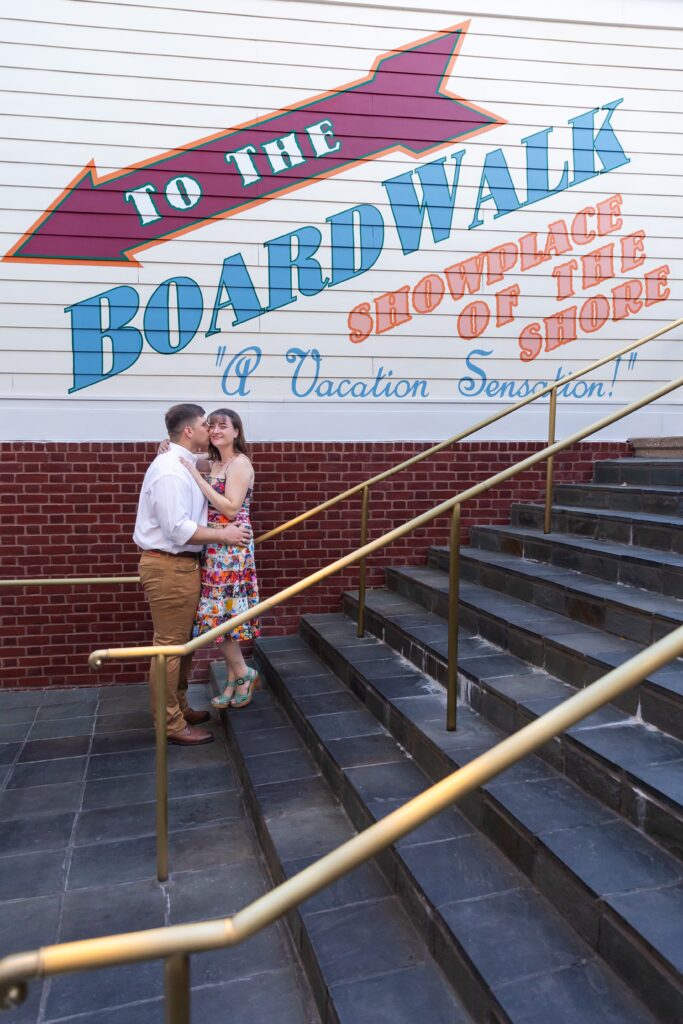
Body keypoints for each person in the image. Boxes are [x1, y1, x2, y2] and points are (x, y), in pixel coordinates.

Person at [134, 403, 251, 745]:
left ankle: (179, 707)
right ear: (189, 431)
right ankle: (170, 724)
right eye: (204, 424)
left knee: (182, 648)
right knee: (169, 649)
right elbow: (176, 528)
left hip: (184, 566)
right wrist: (223, 535)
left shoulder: (183, 462)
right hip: (169, 566)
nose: (209, 429)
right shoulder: (171, 470)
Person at [178, 408, 261, 709]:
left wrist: (198, 480)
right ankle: (233, 681)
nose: (215, 431)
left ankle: (244, 673)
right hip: (213, 547)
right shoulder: (213, 462)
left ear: (236, 431)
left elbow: (230, 509)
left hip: (231, 549)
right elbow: (183, 456)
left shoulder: (240, 464)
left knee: (221, 617)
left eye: (222, 426)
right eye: (211, 426)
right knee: (221, 615)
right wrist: (165, 444)